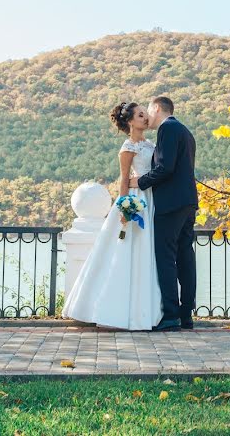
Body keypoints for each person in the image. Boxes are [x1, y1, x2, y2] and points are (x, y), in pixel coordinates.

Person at [62, 103, 163, 330]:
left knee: (147, 251)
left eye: (145, 114)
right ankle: (114, 310)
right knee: (127, 250)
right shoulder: (128, 147)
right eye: (140, 115)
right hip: (137, 199)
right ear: (130, 122)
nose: (145, 118)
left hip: (151, 197)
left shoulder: (151, 144)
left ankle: (146, 310)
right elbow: (124, 178)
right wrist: (125, 207)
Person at [132, 96, 198, 331]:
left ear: (157, 108)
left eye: (148, 111)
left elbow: (165, 167)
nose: (148, 116)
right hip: (188, 202)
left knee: (166, 257)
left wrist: (139, 182)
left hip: (171, 203)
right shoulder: (186, 132)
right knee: (185, 257)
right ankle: (186, 315)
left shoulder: (167, 129)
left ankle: (171, 315)